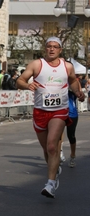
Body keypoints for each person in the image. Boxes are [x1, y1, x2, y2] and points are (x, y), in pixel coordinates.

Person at [16, 37, 85, 198]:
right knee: (47, 149)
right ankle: (53, 170)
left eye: (55, 47)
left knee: (52, 145)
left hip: (59, 111)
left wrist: (77, 92)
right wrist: (27, 85)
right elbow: (20, 81)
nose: (52, 49)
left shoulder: (67, 66)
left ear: (60, 50)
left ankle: (50, 183)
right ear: (45, 49)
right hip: (40, 111)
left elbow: (73, 81)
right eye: (49, 46)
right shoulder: (36, 64)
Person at [66, 89, 79, 168]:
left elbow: (80, 95)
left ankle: (72, 156)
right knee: (57, 136)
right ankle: (57, 155)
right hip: (59, 112)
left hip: (71, 113)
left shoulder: (73, 82)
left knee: (71, 135)